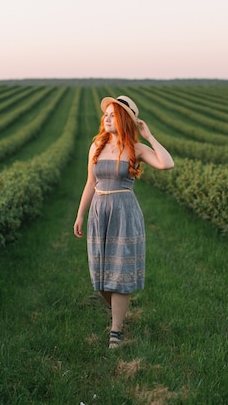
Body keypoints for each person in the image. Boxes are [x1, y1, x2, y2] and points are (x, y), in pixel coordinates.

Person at [73, 95, 174, 349]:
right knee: (100, 275)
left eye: (112, 115)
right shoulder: (96, 145)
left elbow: (167, 163)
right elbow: (90, 183)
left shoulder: (135, 149)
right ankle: (118, 312)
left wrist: (149, 136)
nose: (106, 118)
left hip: (124, 212)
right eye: (105, 114)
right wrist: (80, 214)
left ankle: (116, 329)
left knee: (120, 271)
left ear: (124, 120)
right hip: (99, 211)